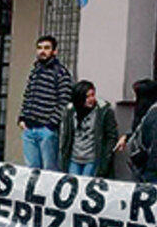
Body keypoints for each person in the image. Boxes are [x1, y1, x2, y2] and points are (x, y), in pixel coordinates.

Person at [17, 35, 72, 170]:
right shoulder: (35, 71)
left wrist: (51, 124)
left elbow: (64, 101)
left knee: (49, 170)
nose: (42, 51)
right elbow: (28, 95)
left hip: (46, 130)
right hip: (29, 129)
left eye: (47, 48)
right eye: (40, 48)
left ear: (54, 51)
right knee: (32, 170)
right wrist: (22, 118)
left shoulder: (61, 73)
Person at [58, 81, 118, 177]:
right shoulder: (70, 111)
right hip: (74, 158)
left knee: (85, 186)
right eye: (87, 97)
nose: (91, 99)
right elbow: (65, 135)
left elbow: (111, 136)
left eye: (92, 95)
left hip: (93, 159)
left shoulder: (103, 111)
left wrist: (105, 160)